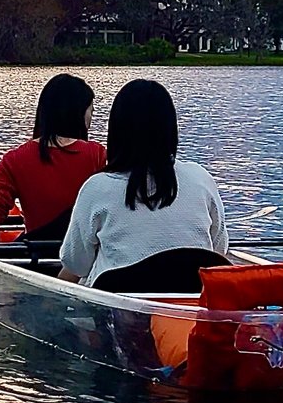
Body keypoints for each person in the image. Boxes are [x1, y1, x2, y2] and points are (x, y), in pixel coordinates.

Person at [59, 78, 228, 286]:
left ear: (118, 130)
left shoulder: (97, 188)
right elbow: (219, 249)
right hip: (188, 310)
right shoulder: (201, 179)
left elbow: (76, 264)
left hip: (116, 314)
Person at [0, 73, 106, 242]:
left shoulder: (14, 160)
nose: (91, 117)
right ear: (79, 113)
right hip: (85, 261)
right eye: (91, 111)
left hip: (36, 257)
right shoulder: (97, 155)